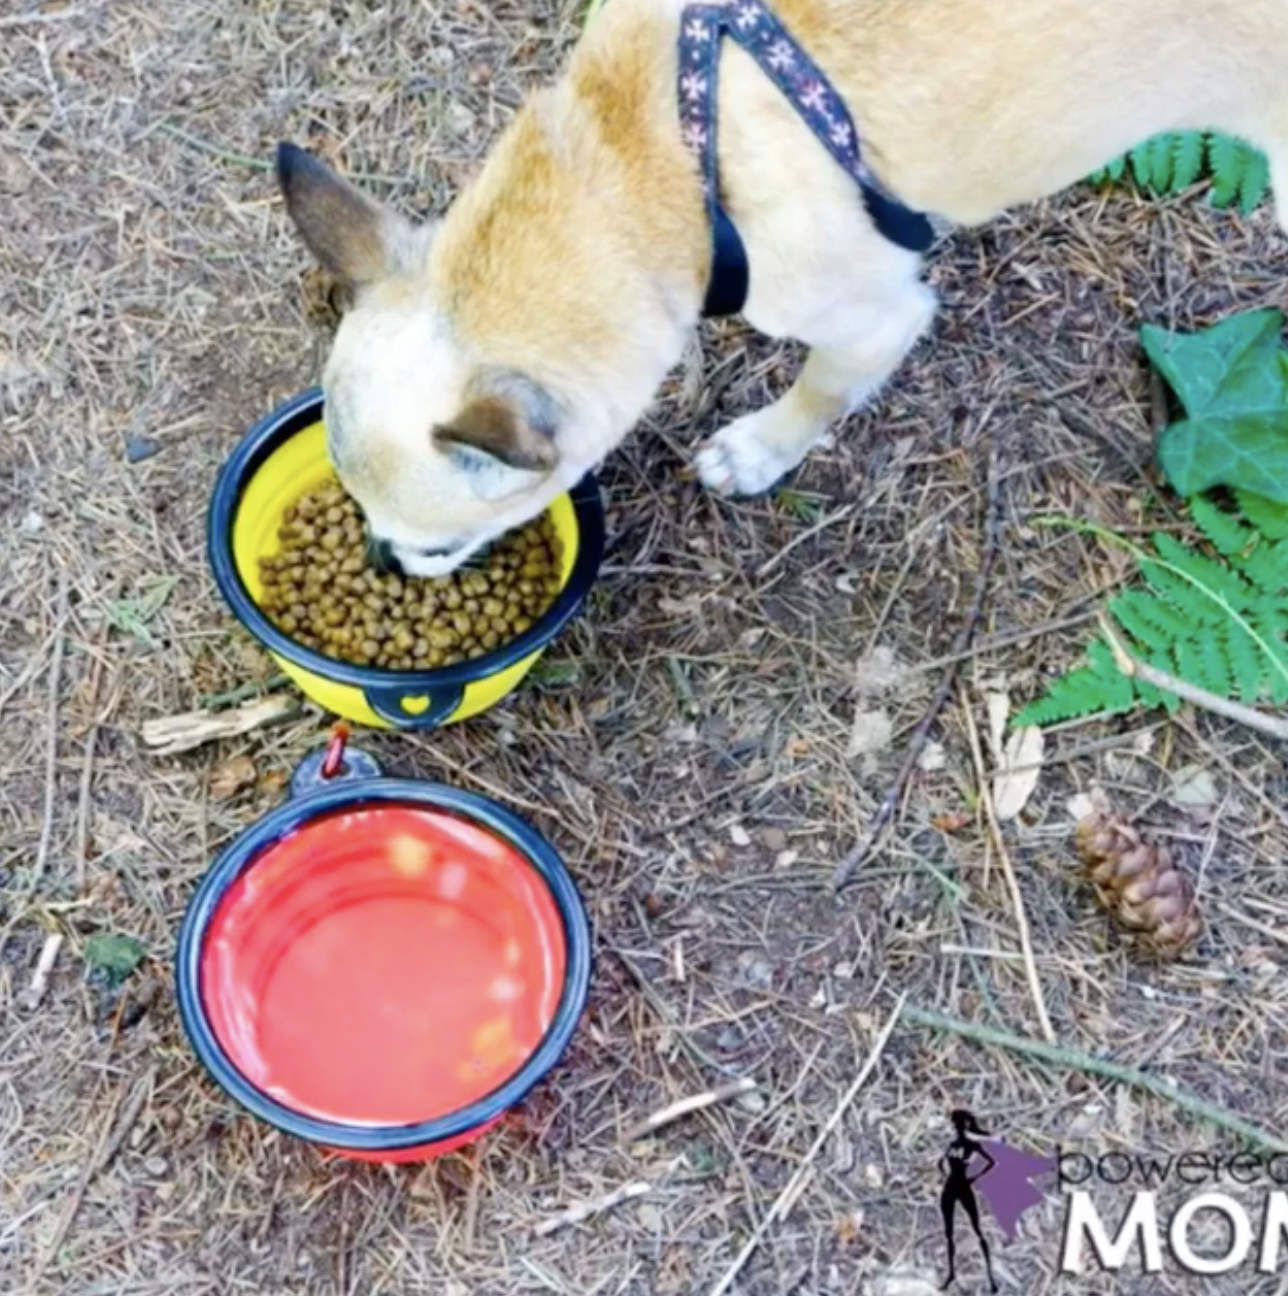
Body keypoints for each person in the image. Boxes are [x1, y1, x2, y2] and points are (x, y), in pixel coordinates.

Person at [939, 1109, 998, 1292]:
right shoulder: (952, 1145)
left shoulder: (972, 1145)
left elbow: (990, 1162)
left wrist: (974, 1177)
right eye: (955, 1124)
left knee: (977, 1229)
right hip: (951, 1186)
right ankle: (951, 1274)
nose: (956, 1127)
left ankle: (990, 1277)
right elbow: (941, 1163)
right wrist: (946, 1175)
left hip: (963, 1185)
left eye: (958, 1123)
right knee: (949, 1232)